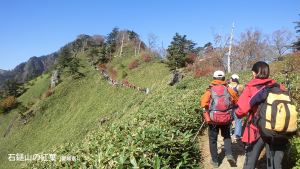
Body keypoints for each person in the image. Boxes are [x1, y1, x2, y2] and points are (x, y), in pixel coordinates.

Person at [235, 61, 288, 169]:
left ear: (254, 73)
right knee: (275, 166)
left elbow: (241, 111)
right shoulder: (279, 87)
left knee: (250, 164)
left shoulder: (250, 87)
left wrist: (236, 113)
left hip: (257, 130)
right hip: (278, 129)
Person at [201, 70, 238, 168]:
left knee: (213, 139)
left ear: (213, 78)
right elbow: (235, 102)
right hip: (226, 118)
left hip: (213, 119)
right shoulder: (229, 89)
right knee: (226, 136)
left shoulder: (210, 90)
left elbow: (203, 104)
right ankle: (229, 154)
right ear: (223, 78)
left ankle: (215, 161)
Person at [228, 74, 245, 140]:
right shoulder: (240, 86)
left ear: (231, 79)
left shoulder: (227, 87)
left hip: (229, 105)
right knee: (238, 120)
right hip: (237, 105)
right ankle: (237, 135)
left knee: (228, 119)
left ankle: (229, 132)